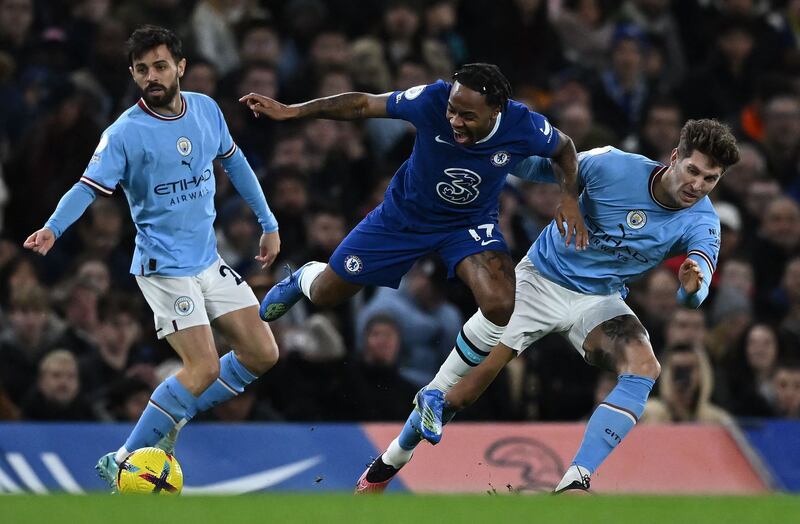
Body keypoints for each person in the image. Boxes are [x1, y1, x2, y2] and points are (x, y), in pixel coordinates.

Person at [357, 119, 740, 493]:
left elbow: (695, 291)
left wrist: (691, 289)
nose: (697, 185)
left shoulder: (703, 221)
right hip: (538, 282)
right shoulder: (613, 165)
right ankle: (388, 463)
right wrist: (491, 151)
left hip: (600, 301)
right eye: (693, 170)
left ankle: (577, 477)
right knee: (457, 395)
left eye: (710, 179)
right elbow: (542, 166)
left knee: (644, 366)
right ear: (675, 157)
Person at [22, 25, 281, 492]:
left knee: (263, 353)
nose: (151, 77)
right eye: (142, 70)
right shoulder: (124, 133)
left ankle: (173, 412)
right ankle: (121, 461)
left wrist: (268, 222)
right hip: (163, 268)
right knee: (201, 368)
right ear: (133, 74)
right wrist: (53, 228)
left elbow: (235, 162)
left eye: (160, 66)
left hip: (207, 259)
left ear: (180, 67)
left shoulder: (205, 110)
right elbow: (87, 187)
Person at [240, 61, 586, 390]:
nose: (454, 121)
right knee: (325, 295)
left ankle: (442, 391)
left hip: (468, 224)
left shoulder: (523, 124)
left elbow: (565, 149)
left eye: (467, 115)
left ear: (497, 110)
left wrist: (569, 197)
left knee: (499, 305)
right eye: (452, 110)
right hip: (402, 219)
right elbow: (364, 104)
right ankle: (303, 277)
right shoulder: (432, 99)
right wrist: (295, 110)